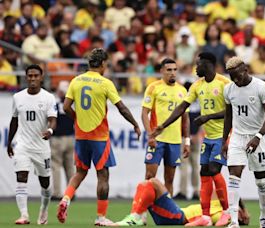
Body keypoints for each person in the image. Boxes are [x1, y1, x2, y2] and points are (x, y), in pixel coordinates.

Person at [57, 48, 141, 226]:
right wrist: (134, 123)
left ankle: (65, 199)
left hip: (81, 135)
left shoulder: (76, 81)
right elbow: (122, 108)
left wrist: (77, 119)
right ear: (103, 64)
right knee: (103, 176)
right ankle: (101, 217)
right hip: (99, 137)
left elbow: (65, 107)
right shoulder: (105, 83)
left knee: (80, 172)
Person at [152, 52, 231, 226]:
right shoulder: (196, 86)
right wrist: (163, 125)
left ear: (208, 64)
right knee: (204, 172)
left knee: (214, 170)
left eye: (198, 64)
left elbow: (232, 111)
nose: (196, 68)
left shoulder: (225, 84)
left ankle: (227, 212)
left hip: (223, 135)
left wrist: (208, 117)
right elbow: (182, 107)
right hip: (209, 137)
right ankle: (205, 216)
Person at [222, 56, 265, 228]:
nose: (235, 80)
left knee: (260, 181)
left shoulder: (261, 86)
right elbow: (228, 116)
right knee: (233, 176)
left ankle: (264, 218)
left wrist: (258, 137)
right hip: (237, 137)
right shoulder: (228, 89)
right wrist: (225, 140)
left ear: (245, 70)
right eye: (232, 77)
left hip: (257, 137)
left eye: (238, 75)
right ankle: (234, 221)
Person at [7, 64, 57, 225]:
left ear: (41, 77)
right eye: (30, 76)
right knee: (21, 177)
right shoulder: (18, 97)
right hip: (23, 146)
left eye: (36, 76)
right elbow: (14, 120)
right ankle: (24, 215)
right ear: (26, 77)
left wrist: (49, 130)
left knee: (46, 184)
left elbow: (53, 119)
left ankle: (43, 209)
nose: (33, 78)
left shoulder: (48, 97)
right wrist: (9, 142)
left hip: (41, 148)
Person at [142, 58, 190, 195]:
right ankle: (142, 214)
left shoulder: (182, 90)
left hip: (174, 141)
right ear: (162, 71)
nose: (172, 73)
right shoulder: (153, 87)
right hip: (157, 140)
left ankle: (167, 215)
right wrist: (150, 135)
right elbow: (145, 113)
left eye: (175, 70)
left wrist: (186, 141)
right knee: (149, 177)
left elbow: (185, 118)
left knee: (169, 179)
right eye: (169, 70)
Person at [114, 177, 250, 226]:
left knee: (154, 182)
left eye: (238, 214)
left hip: (178, 217)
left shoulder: (221, 217)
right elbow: (227, 191)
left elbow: (207, 223)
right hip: (175, 214)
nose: (236, 210)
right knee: (145, 184)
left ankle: (134, 218)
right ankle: (136, 217)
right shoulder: (221, 205)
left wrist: (236, 218)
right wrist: (242, 208)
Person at [50, 81, 75, 200]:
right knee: (69, 167)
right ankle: (71, 193)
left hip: (58, 139)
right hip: (70, 138)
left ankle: (57, 192)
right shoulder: (73, 104)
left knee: (56, 166)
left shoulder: (56, 103)